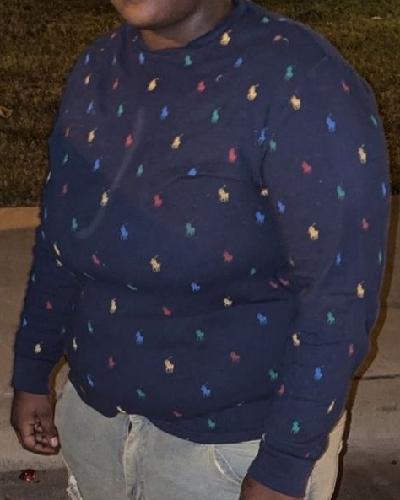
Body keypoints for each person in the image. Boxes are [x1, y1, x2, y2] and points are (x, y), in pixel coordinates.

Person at [10, 0, 390, 499]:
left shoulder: (302, 82)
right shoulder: (97, 67)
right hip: (96, 424)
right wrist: (33, 367)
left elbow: (339, 297)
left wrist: (283, 467)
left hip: (231, 454)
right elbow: (59, 241)